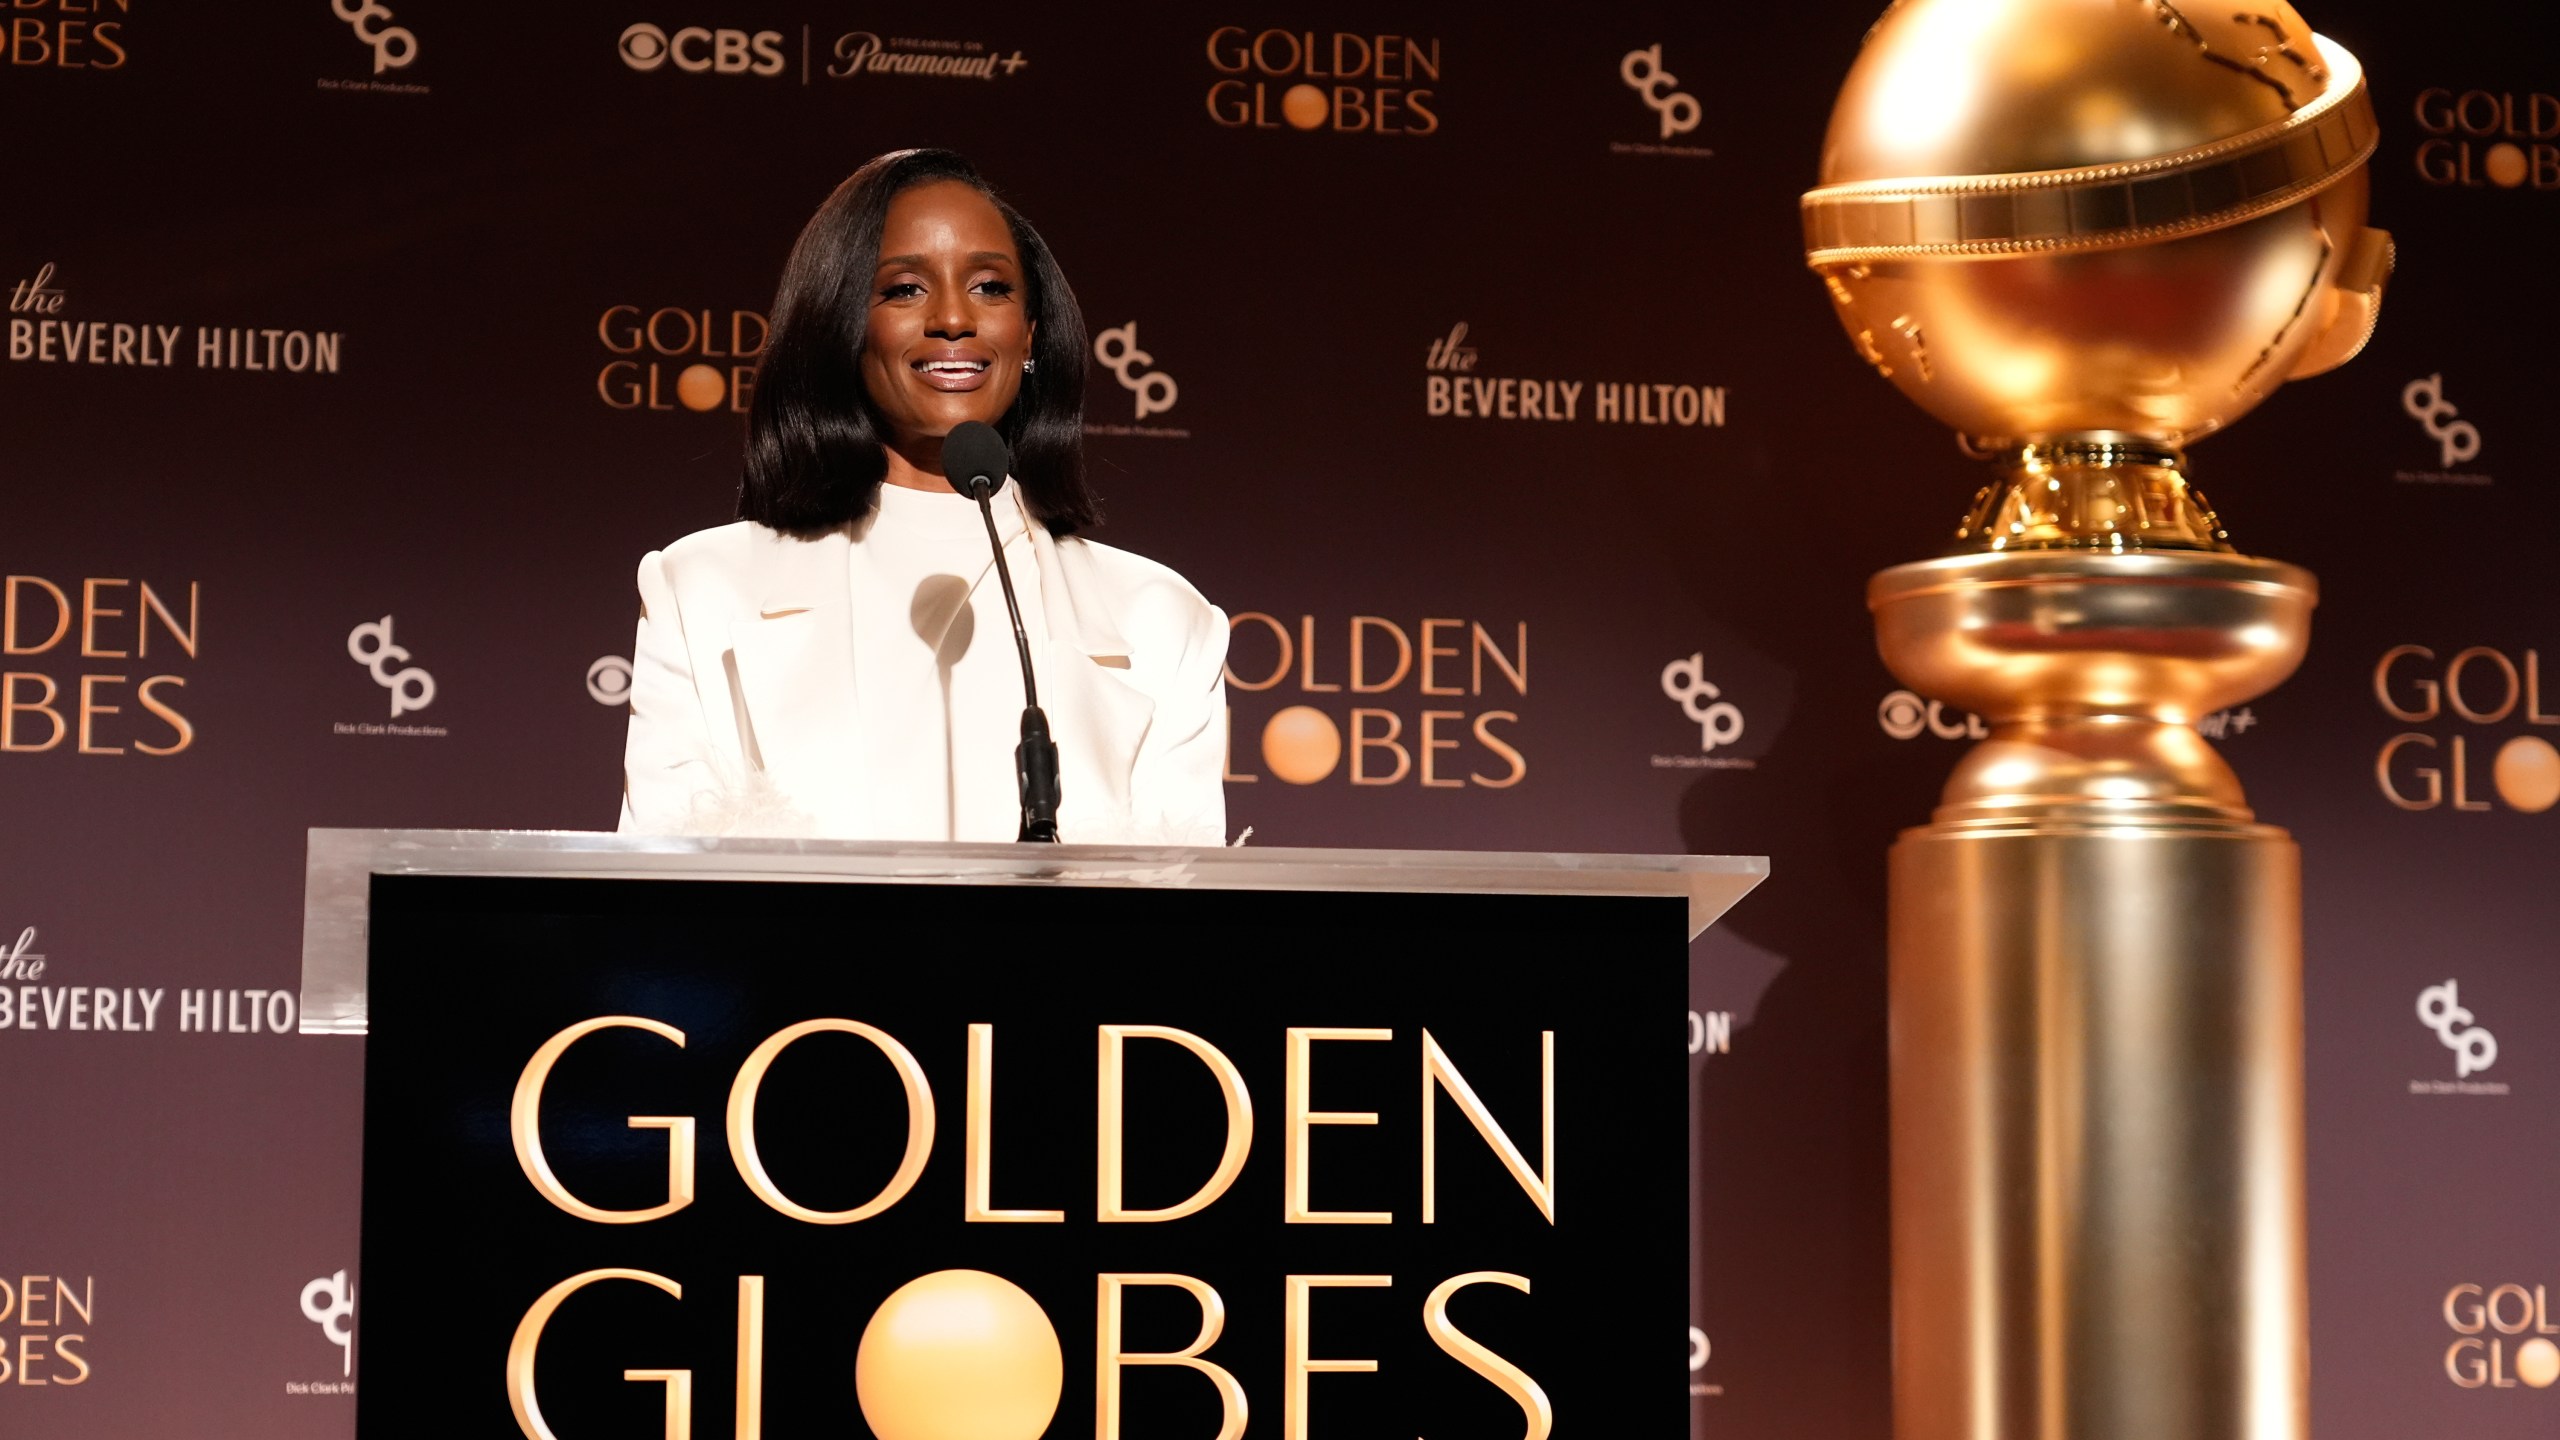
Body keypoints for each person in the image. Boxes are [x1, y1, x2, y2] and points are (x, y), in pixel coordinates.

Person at [617, 149, 1228, 845]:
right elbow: (665, 900)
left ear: (1029, 335)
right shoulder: (703, 590)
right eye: (904, 289)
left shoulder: (1162, 620)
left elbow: (1179, 926)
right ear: (843, 325)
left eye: (991, 287)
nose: (952, 318)